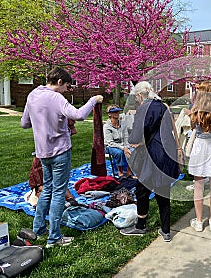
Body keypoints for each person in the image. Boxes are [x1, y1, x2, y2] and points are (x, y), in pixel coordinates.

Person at [21, 67, 103, 247]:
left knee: (47, 189)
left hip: (42, 153)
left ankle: (38, 229)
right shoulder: (57, 97)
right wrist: (93, 99)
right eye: (67, 86)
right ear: (59, 82)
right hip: (60, 152)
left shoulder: (32, 95)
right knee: (58, 192)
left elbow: (24, 123)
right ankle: (54, 238)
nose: (67, 90)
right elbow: (80, 115)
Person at [120, 81, 180, 242]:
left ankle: (140, 226)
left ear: (140, 95)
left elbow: (136, 136)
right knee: (163, 192)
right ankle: (166, 230)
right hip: (167, 153)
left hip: (151, 155)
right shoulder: (162, 106)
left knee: (142, 189)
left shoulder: (144, 109)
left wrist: (135, 140)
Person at [188, 81, 211, 232]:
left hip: (199, 147)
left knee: (198, 186)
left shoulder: (195, 110)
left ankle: (199, 221)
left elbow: (191, 128)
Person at [103, 104, 133, 178]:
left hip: (122, 144)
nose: (117, 114)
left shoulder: (123, 124)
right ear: (109, 114)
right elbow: (110, 142)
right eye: (115, 112)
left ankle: (129, 172)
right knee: (119, 153)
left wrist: (127, 147)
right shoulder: (106, 126)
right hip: (110, 146)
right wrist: (123, 148)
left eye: (118, 112)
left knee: (133, 150)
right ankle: (120, 172)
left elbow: (126, 137)